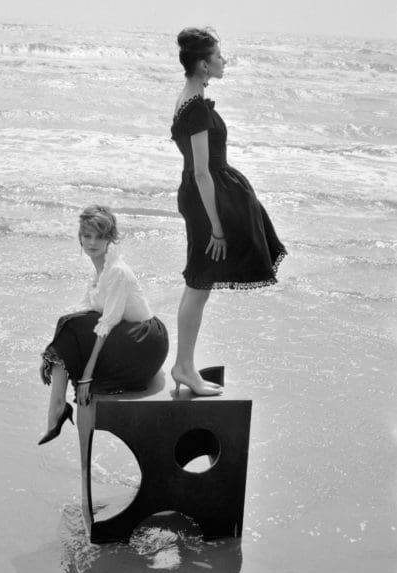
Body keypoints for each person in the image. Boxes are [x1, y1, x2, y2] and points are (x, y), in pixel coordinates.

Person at [170, 27, 287, 396]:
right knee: (198, 283)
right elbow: (202, 171)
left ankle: (185, 365)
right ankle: (183, 367)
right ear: (204, 65)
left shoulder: (190, 99)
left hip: (202, 195)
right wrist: (217, 227)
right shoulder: (196, 107)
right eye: (219, 56)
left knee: (199, 284)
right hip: (205, 199)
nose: (224, 60)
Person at [38, 205, 169, 445]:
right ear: (80, 237)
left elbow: (107, 323)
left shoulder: (116, 272)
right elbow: (81, 311)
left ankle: (57, 407)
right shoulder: (100, 271)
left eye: (100, 236)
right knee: (68, 324)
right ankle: (57, 405)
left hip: (144, 344)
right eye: (87, 235)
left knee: (70, 327)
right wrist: (53, 352)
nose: (92, 242)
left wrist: (86, 377)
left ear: (110, 239)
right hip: (127, 336)